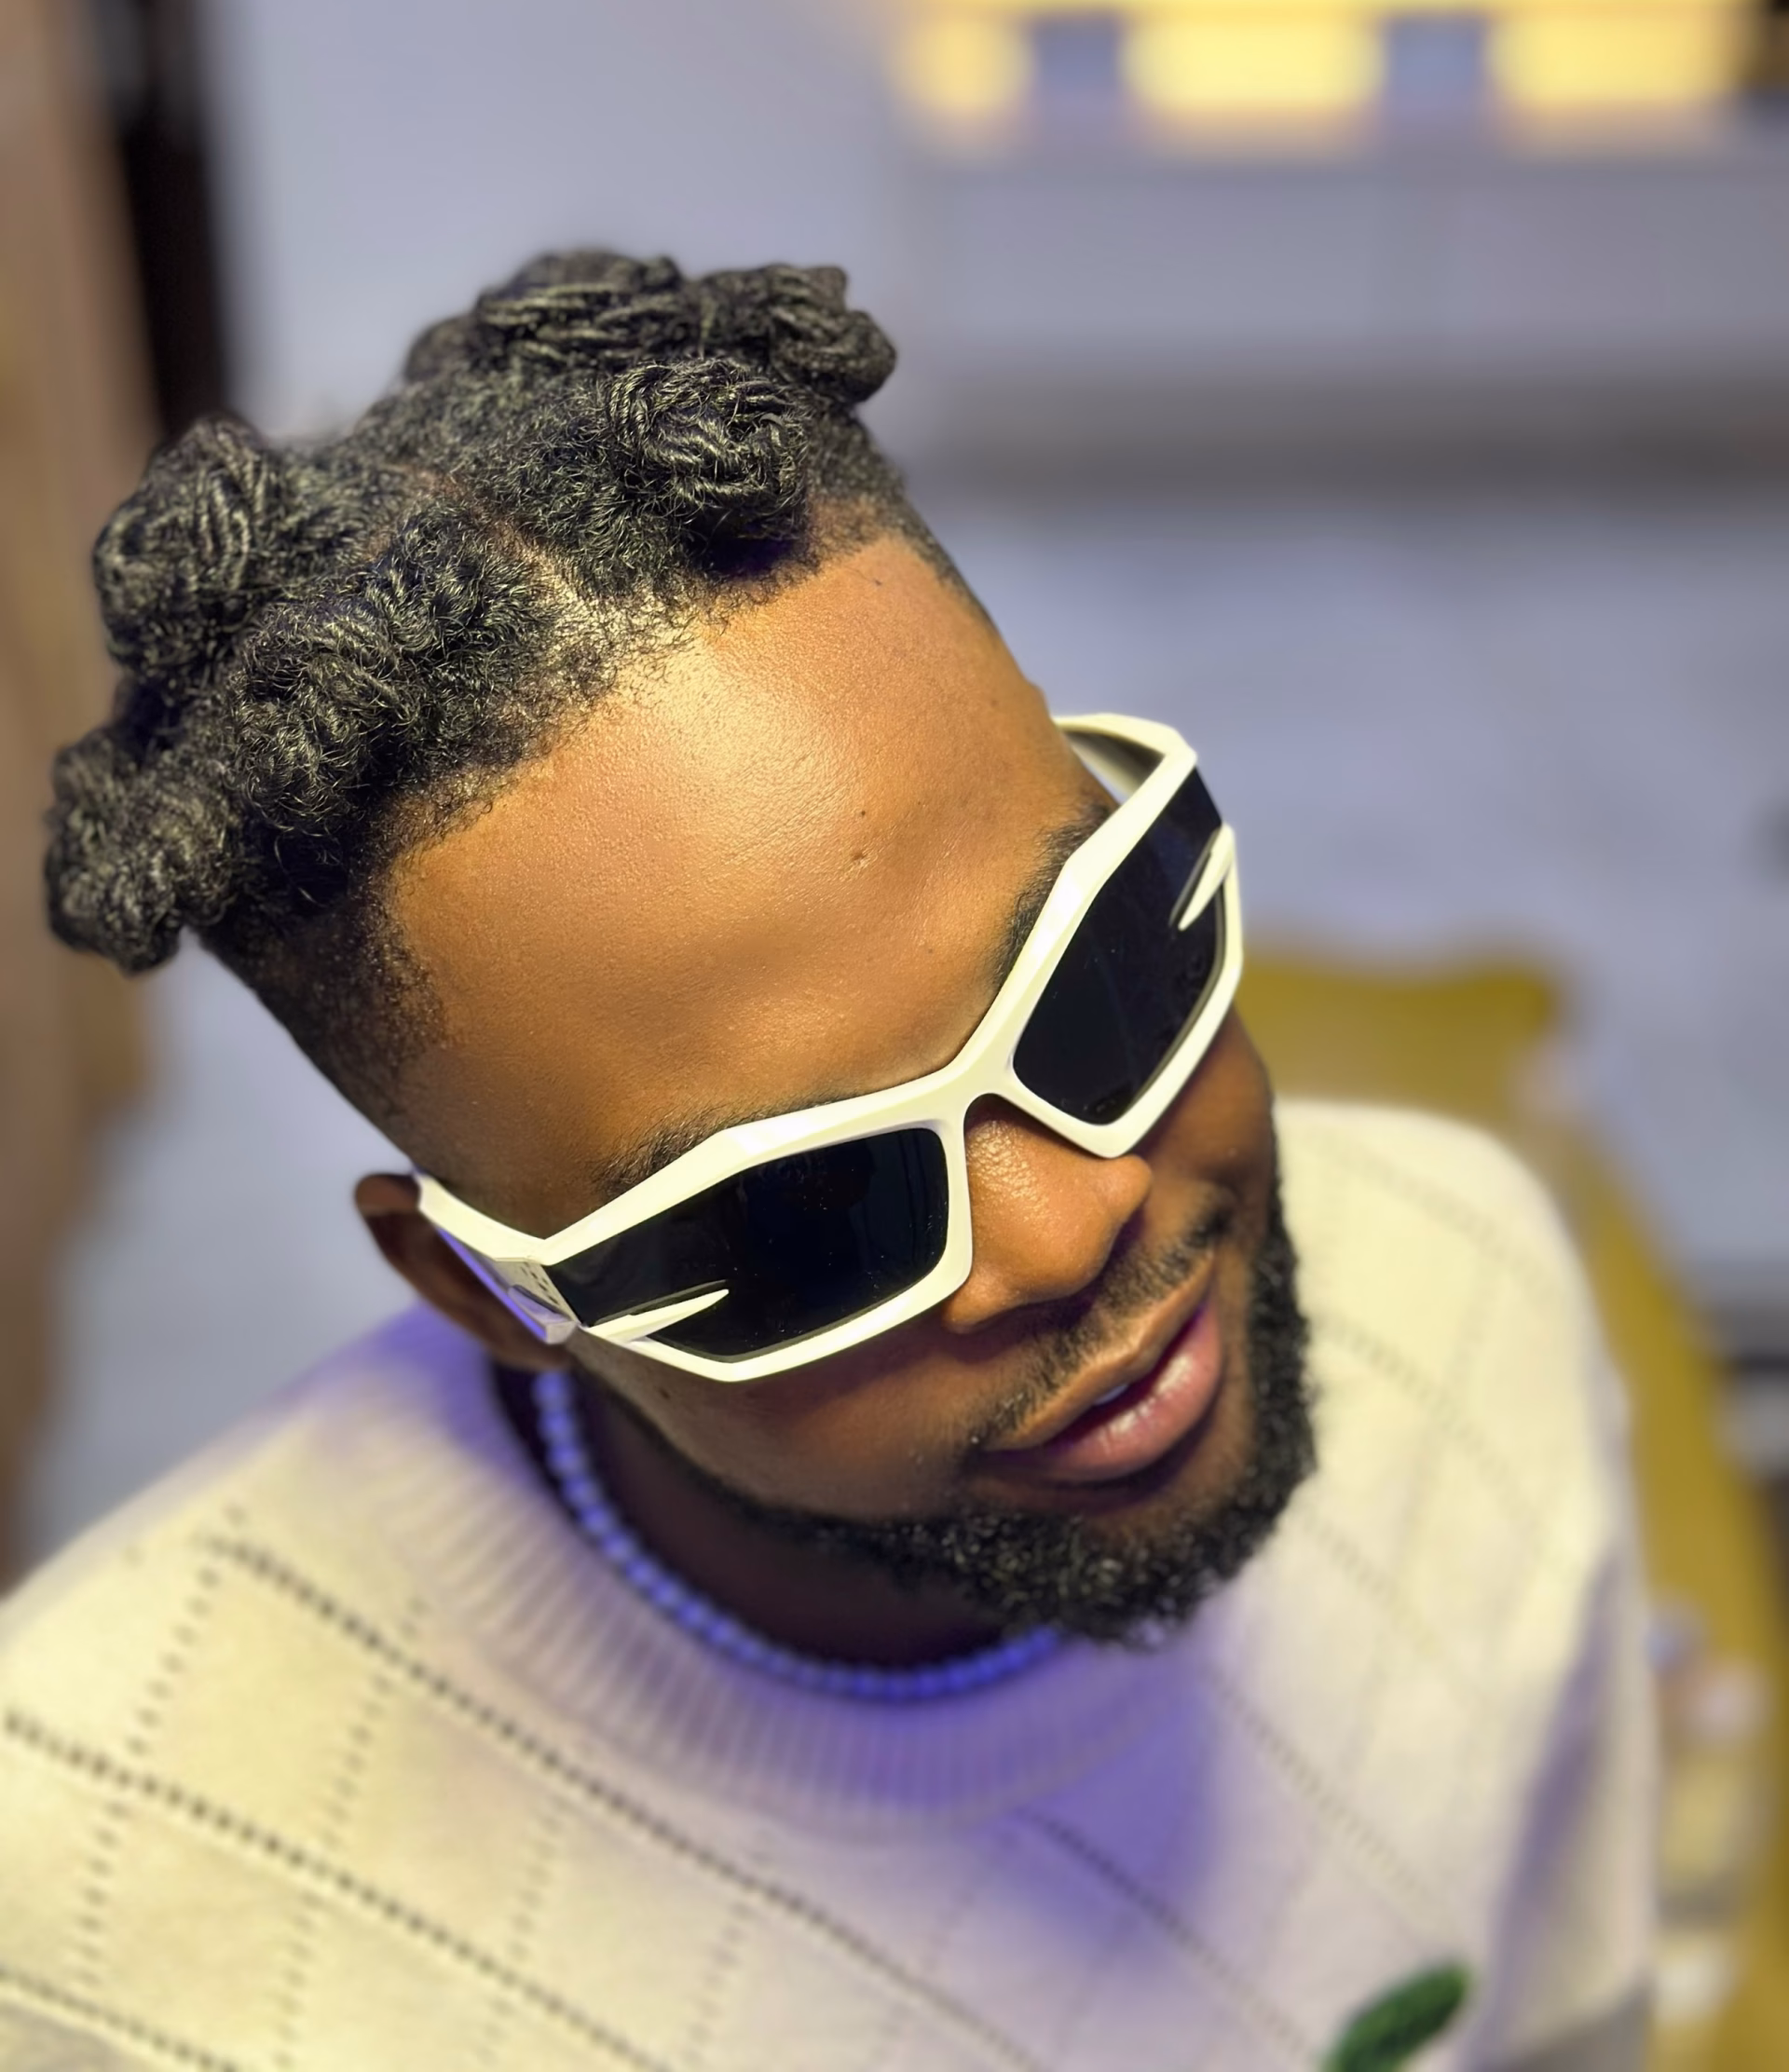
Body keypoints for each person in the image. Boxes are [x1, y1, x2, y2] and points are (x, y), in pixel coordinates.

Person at [1, 253, 1652, 2071]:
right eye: (810, 1212)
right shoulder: (94, 1914)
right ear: (484, 1288)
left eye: (1096, 976)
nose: (1072, 1220)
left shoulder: (1470, 1292)